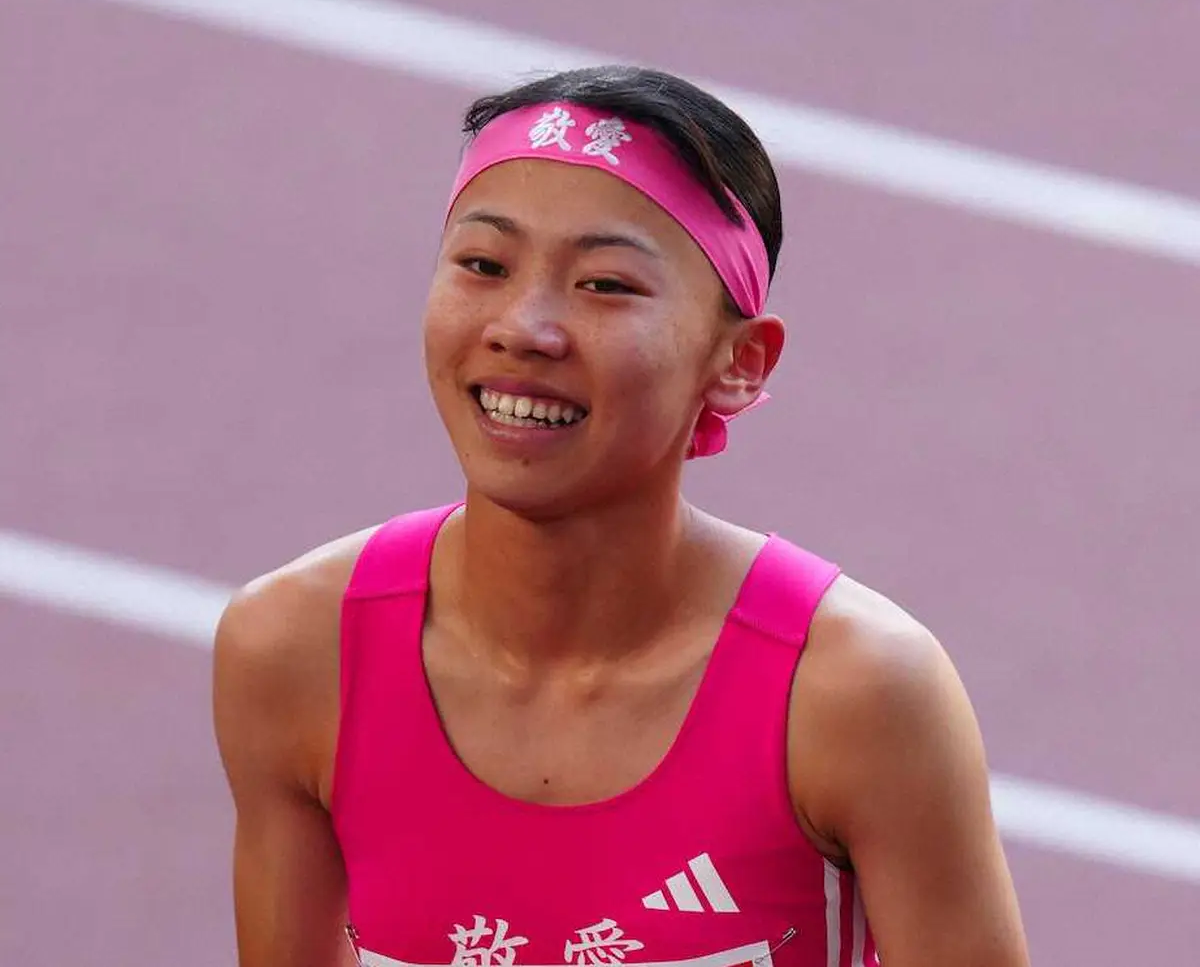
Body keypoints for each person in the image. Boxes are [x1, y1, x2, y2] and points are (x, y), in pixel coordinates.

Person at [213, 65, 1030, 967]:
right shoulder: (298, 650)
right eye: (483, 266)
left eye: (604, 284)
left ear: (741, 362)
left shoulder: (855, 694)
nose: (523, 328)